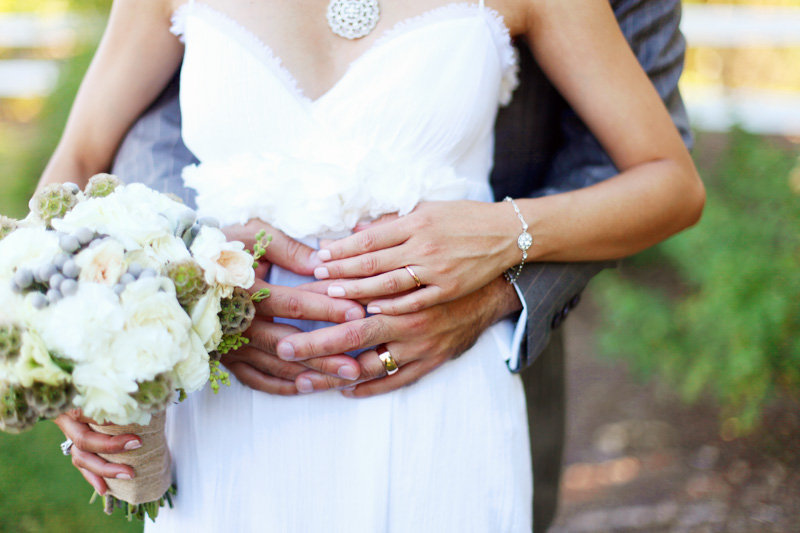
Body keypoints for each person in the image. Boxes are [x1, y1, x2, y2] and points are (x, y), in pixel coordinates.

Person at [44, 0, 703, 531]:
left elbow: (670, 182)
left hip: (437, 400)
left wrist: (506, 233)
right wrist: (72, 363)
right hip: (230, 409)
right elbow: (75, 166)